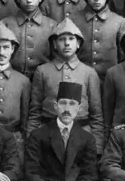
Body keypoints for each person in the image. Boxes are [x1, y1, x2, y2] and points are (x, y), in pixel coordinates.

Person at [28, 18, 104, 148]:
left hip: (81, 136)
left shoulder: (89, 73)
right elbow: (35, 113)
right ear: (55, 44)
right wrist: (32, 144)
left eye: (71, 39)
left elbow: (96, 116)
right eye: (62, 39)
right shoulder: (43, 71)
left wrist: (97, 148)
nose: (67, 43)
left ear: (78, 43)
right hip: (48, 135)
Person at [71, 0, 125, 82]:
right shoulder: (73, 20)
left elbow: (124, 58)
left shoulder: (120, 22)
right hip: (79, 80)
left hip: (109, 81)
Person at [0, 0, 55, 78]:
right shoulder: (5, 24)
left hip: (43, 78)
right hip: (12, 78)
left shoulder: (52, 25)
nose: (29, 0)